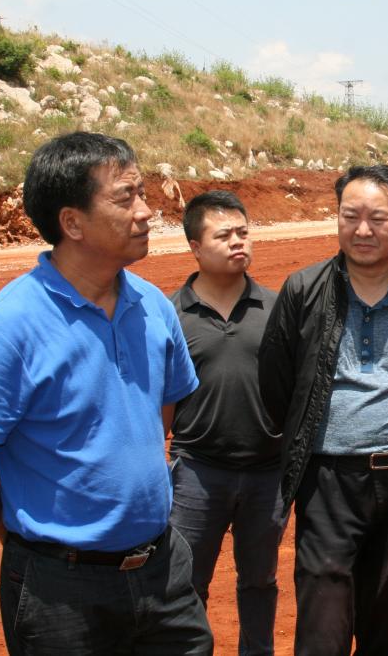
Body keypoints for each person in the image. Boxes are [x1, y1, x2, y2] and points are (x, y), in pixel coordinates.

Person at [0, 132, 212, 653]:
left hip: (163, 573)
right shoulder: (6, 329)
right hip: (59, 592)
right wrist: (24, 541)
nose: (146, 211)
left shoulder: (154, 307)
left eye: (143, 193)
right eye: (126, 197)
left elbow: (161, 414)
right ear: (72, 223)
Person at [257, 164, 388, 656]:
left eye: (378, 218)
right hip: (328, 481)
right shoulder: (303, 290)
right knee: (321, 626)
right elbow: (277, 383)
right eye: (350, 216)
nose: (363, 230)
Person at [168, 190, 287, 655]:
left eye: (243, 232)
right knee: (186, 583)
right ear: (195, 247)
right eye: (224, 235)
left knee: (260, 581)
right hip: (197, 471)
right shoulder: (170, 315)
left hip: (268, 473)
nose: (238, 242)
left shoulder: (277, 308)